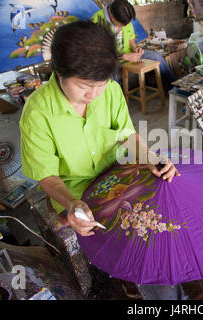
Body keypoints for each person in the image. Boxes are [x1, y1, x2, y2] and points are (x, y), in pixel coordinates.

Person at [20, 20, 184, 300]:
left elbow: (127, 135)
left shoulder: (109, 91)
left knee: (167, 207)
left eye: (101, 84)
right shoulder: (37, 114)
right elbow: (45, 175)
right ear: (59, 72)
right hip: (79, 192)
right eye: (84, 86)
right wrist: (72, 204)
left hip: (118, 175)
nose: (94, 94)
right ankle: (160, 293)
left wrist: (152, 159)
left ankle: (160, 281)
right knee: (137, 238)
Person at [91, 0, 176, 91]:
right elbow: (100, 52)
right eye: (122, 24)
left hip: (130, 54)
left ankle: (173, 90)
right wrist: (124, 56)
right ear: (112, 16)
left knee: (157, 57)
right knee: (110, 73)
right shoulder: (97, 21)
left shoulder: (124, 15)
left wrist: (136, 48)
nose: (124, 26)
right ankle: (119, 101)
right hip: (111, 59)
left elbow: (131, 39)